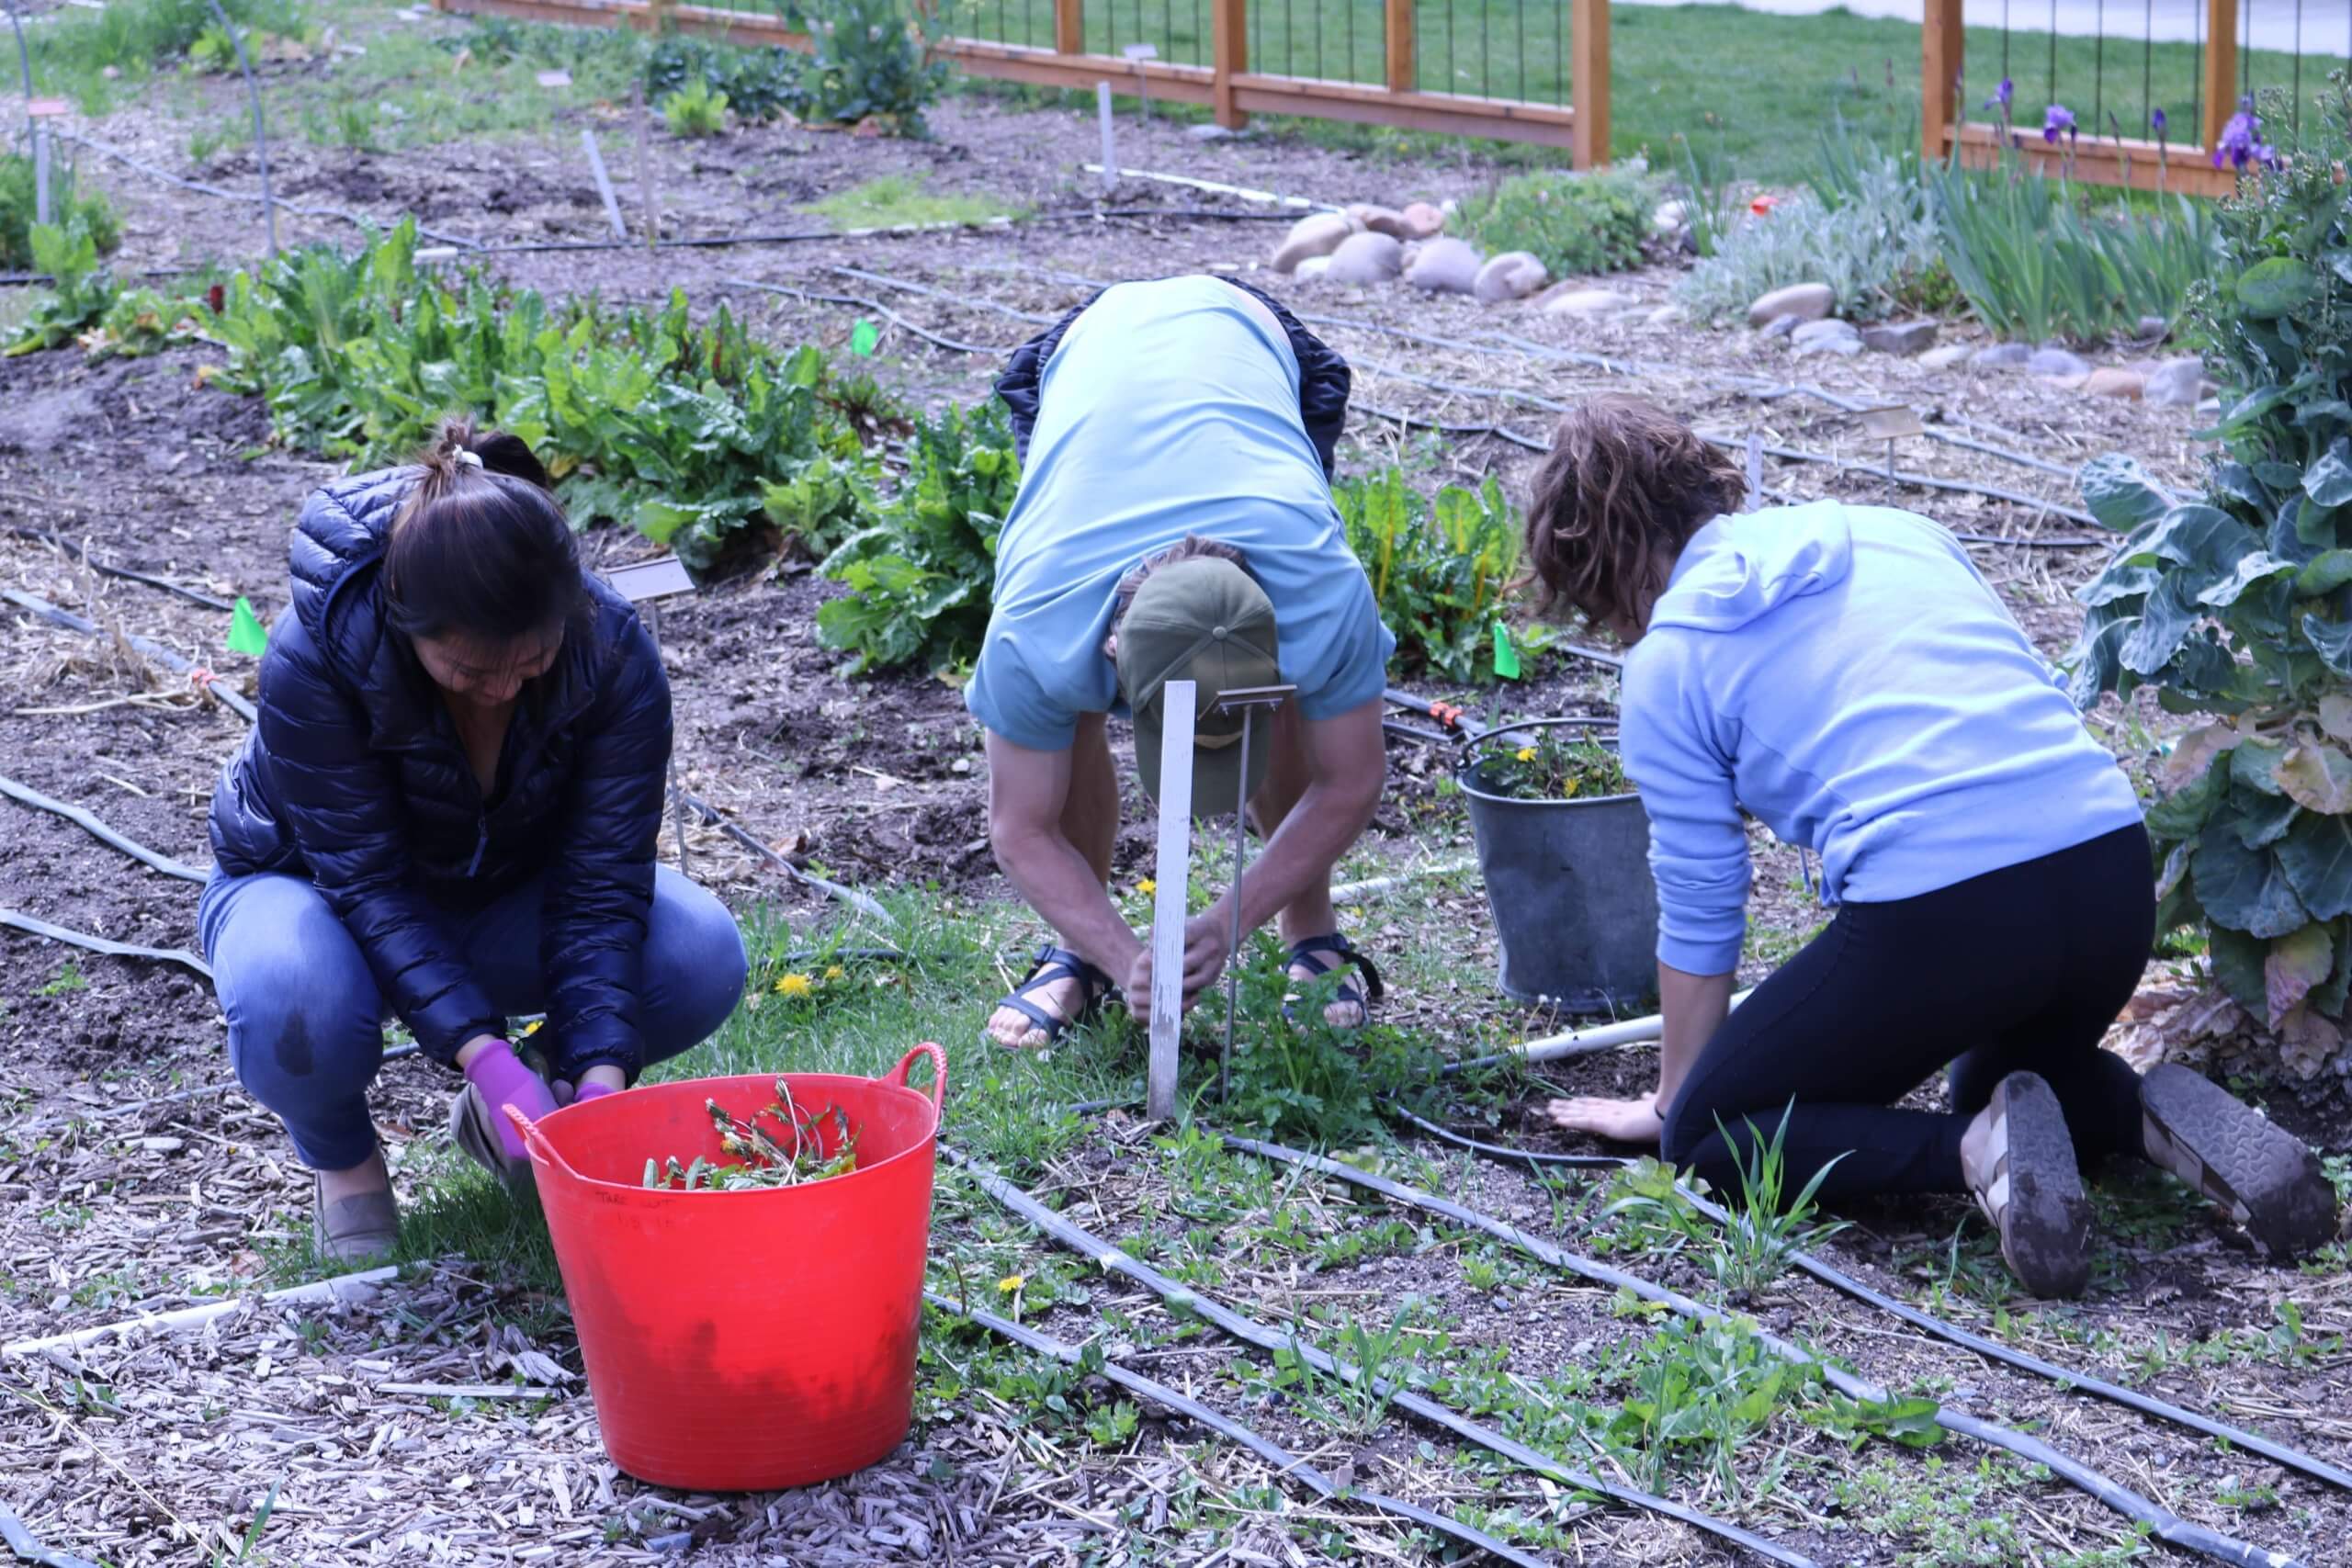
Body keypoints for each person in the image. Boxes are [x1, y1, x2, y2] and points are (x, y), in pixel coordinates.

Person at [1530, 395, 2337, 1297]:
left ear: (1599, 568)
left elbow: (1700, 902)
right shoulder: (1891, 531)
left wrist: (1674, 1100)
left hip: (1948, 911)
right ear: (1702, 485)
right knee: (2004, 1079)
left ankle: (1975, 1153)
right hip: (2104, 866)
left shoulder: (1668, 661)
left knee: (1717, 1138)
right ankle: (2144, 1114)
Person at [204, 420, 749, 1263]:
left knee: (697, 954)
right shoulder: (312, 656)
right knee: (293, 998)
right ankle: (347, 1163)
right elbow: (368, 885)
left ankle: (537, 1112)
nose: (499, 693)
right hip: (317, 892)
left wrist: (600, 1073)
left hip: (496, 890)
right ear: (403, 619)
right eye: (468, 671)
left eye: (528, 665)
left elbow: (603, 882)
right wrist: (483, 1057)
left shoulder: (611, 650)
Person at [970, 274, 1396, 1050]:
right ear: (1110, 652)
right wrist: (1127, 955)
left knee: (1309, 704)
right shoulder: (1038, 625)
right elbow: (1019, 825)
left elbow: (1353, 776)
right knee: (1064, 716)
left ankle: (1312, 931)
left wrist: (1229, 919)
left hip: (1252, 338)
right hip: (1086, 351)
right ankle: (1079, 953)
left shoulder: (1321, 593)